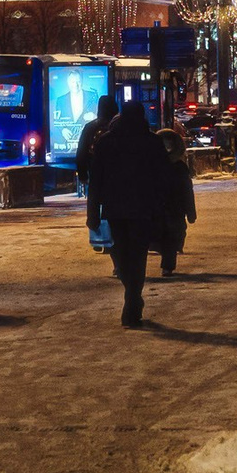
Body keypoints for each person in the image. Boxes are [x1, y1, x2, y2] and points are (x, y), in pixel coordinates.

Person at [89, 103, 171, 326]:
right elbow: (163, 178)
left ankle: (132, 299)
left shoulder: (106, 142)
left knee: (121, 255)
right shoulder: (152, 142)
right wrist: (162, 207)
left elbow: (95, 181)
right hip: (142, 209)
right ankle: (133, 299)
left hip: (115, 209)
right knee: (137, 256)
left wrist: (92, 213)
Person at [156, 125, 198, 277]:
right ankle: (167, 264)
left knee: (171, 236)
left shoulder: (179, 167)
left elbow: (186, 191)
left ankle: (168, 265)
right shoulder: (152, 165)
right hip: (159, 208)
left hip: (173, 208)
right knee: (166, 236)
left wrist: (191, 212)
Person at [73, 94, 117, 200]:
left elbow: (82, 152)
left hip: (95, 171)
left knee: (94, 199)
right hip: (117, 173)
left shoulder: (90, 127)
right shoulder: (119, 126)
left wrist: (83, 175)